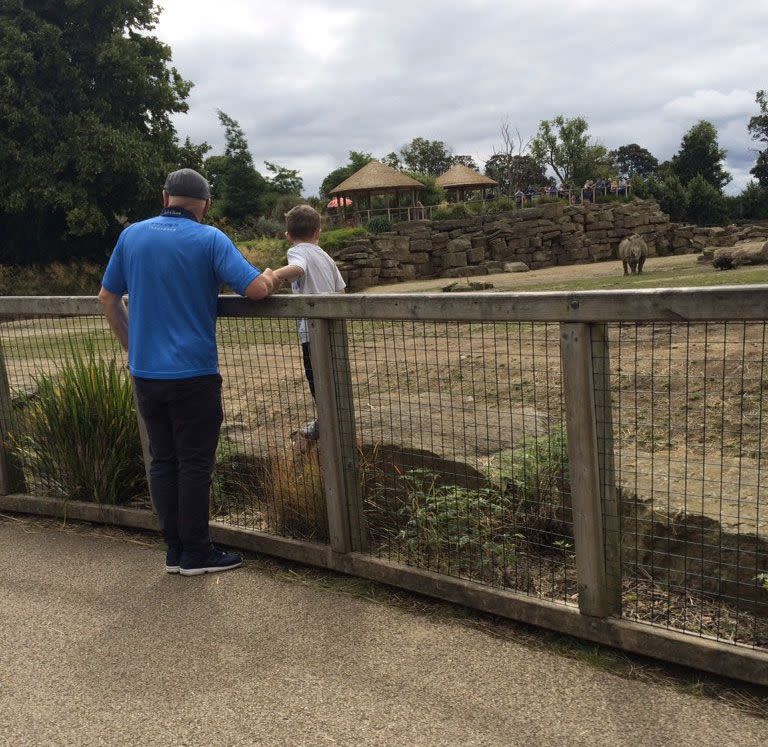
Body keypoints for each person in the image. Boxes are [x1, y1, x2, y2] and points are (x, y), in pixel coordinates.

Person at [98, 168, 275, 576]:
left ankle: (175, 550)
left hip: (146, 372)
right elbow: (256, 290)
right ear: (206, 206)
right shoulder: (210, 238)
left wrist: (134, 347)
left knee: (163, 460)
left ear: (165, 198)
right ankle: (197, 553)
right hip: (193, 372)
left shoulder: (132, 236)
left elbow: (108, 298)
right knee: (195, 463)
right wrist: (269, 275)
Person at [269, 205, 346, 440]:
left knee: (316, 377)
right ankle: (337, 418)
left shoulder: (297, 251)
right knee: (332, 374)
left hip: (311, 331)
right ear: (318, 232)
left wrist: (273, 275)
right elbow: (341, 291)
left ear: (288, 235)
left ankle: (325, 423)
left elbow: (298, 268)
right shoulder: (326, 256)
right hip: (333, 328)